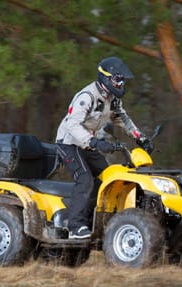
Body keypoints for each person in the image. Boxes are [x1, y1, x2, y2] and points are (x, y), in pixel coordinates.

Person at [56, 56, 152, 239]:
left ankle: (93, 220)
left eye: (122, 80)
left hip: (88, 143)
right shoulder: (87, 97)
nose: (121, 83)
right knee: (85, 179)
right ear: (105, 77)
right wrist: (94, 142)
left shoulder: (112, 98)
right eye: (118, 79)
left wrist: (141, 138)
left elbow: (123, 119)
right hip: (68, 143)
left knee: (108, 177)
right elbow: (72, 125)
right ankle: (74, 226)